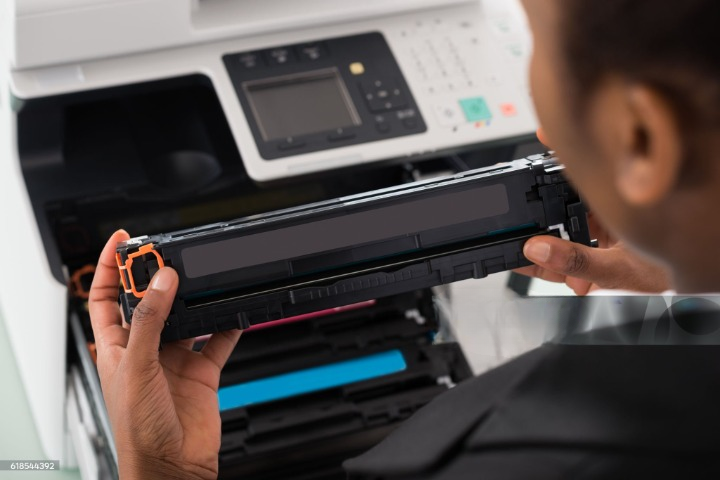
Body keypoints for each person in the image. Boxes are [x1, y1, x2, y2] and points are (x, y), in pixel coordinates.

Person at [88, 0, 720, 477]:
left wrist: (166, 471)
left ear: (640, 136)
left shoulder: (544, 442)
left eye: (534, 38)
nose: (545, 126)